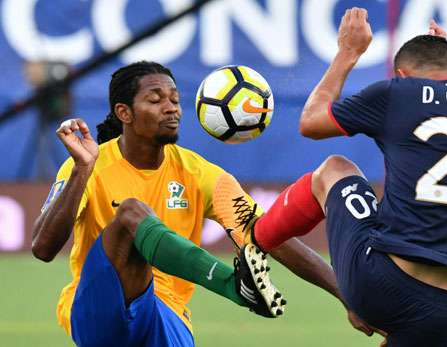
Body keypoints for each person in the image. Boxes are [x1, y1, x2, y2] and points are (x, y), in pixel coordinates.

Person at [32, 61, 376, 346]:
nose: (171, 108)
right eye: (155, 99)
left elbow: (268, 235)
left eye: (175, 99)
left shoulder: (199, 174)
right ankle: (233, 285)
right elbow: (43, 248)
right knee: (131, 215)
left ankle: (238, 286)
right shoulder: (90, 163)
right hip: (97, 309)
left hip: (168, 319)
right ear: (124, 112)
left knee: (136, 219)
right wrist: (81, 170)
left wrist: (349, 294)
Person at [234, 9, 447, 347]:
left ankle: (255, 245)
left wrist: (348, 52)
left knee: (334, 169)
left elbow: (311, 121)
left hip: (387, 284)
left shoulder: (398, 93)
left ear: (402, 74)